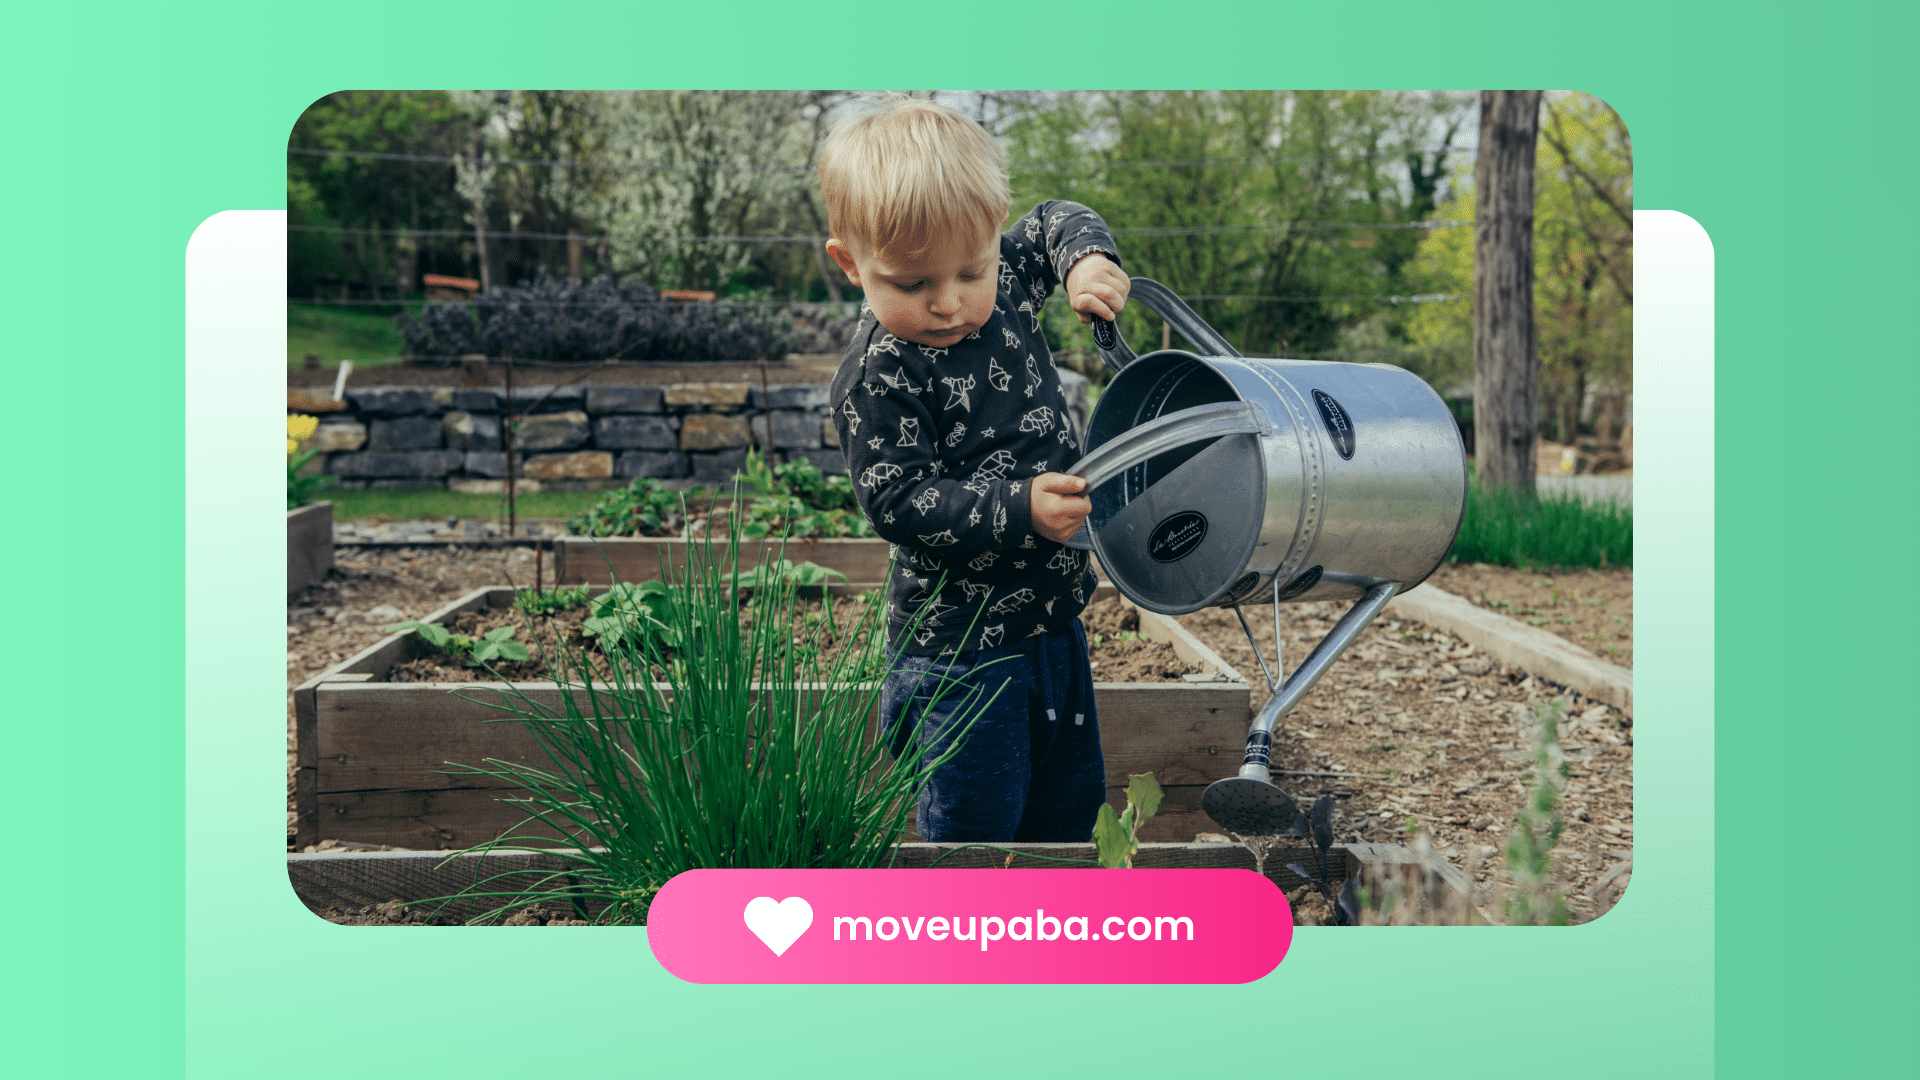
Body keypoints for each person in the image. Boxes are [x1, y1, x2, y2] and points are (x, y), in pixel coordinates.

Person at [821, 95, 1130, 843]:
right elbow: (899, 500)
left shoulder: (1011, 283)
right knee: (976, 833)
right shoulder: (880, 375)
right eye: (910, 283)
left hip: (1056, 627)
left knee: (1066, 813)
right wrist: (1018, 508)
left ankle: (1048, 946)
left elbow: (1057, 217)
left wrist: (1088, 259)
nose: (949, 303)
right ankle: (964, 951)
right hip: (961, 656)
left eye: (971, 269)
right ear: (849, 264)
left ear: (994, 238)